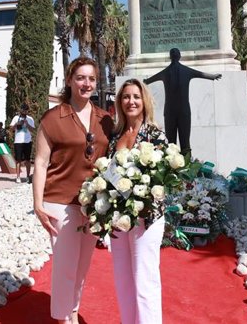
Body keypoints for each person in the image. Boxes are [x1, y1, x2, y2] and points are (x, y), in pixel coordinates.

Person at [32, 57, 114, 324]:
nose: (86, 83)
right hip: (59, 201)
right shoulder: (52, 118)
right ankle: (62, 317)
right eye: (80, 77)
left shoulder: (105, 120)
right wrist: (38, 205)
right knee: (65, 265)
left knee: (81, 266)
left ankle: (73, 309)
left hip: (92, 204)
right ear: (69, 80)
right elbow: (41, 162)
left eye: (91, 78)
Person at [108, 78, 167, 324]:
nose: (131, 101)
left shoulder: (155, 134)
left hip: (147, 217)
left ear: (144, 101)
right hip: (119, 219)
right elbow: (108, 175)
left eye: (136, 96)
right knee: (123, 281)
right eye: (126, 97)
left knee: (145, 281)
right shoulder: (116, 136)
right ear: (120, 102)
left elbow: (163, 179)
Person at [143, 48, 221, 154]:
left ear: (170, 57)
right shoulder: (186, 70)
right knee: (184, 143)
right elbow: (201, 74)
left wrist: (145, 81)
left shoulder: (165, 72)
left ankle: (173, 168)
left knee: (171, 144)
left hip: (170, 111)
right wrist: (213, 76)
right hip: (183, 111)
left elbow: (149, 80)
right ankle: (187, 167)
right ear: (179, 56)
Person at [10, 103, 36, 183]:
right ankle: (18, 177)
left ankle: (28, 176)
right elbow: (11, 128)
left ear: (27, 111)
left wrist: (27, 124)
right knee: (18, 160)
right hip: (18, 141)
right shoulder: (16, 118)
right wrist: (17, 124)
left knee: (27, 160)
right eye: (23, 110)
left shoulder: (30, 119)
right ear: (20, 110)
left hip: (27, 141)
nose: (24, 111)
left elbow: (33, 130)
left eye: (26, 110)